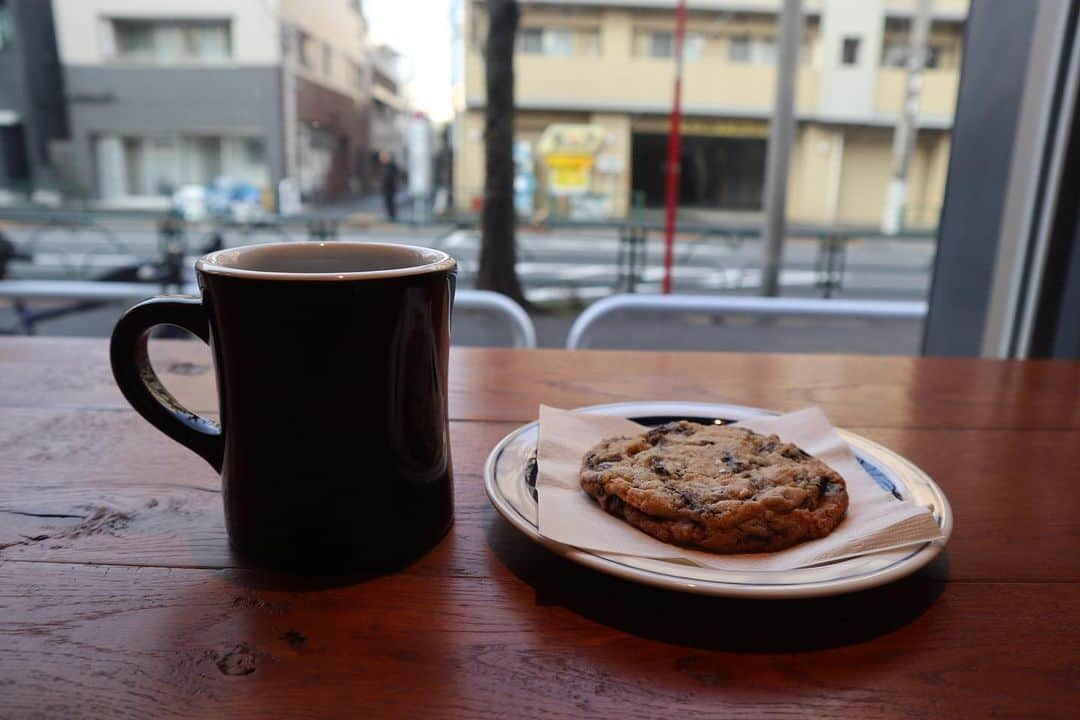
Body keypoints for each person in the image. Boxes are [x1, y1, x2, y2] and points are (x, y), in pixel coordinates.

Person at [379, 150, 399, 221]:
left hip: (390, 188)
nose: (381, 159)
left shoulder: (391, 166)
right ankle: (390, 216)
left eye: (382, 157)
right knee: (387, 204)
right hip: (386, 189)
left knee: (390, 203)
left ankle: (392, 217)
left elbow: (389, 177)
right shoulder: (384, 166)